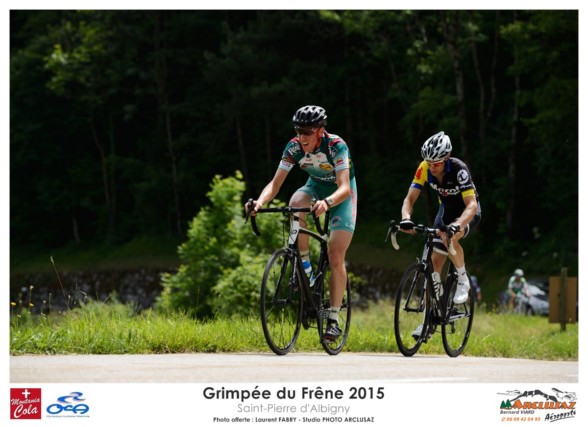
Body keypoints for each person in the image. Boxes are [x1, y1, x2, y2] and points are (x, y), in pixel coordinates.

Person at [245, 105, 357, 341]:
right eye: (298, 130)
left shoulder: (336, 145)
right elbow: (275, 185)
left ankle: (334, 319)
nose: (302, 136)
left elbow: (344, 186)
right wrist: (260, 202)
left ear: (320, 130)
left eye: (307, 131)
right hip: (314, 187)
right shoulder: (294, 146)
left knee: (335, 254)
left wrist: (327, 202)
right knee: (295, 201)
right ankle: (304, 269)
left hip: (340, 195)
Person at [398, 131, 481, 338]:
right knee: (432, 267)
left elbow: (471, 205)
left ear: (446, 158)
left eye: (436, 163)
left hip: (466, 211)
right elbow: (409, 199)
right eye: (429, 162)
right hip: (445, 211)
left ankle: (463, 279)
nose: (432, 167)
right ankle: (429, 319)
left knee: (450, 237)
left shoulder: (459, 170)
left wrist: (458, 225)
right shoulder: (424, 167)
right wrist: (406, 218)